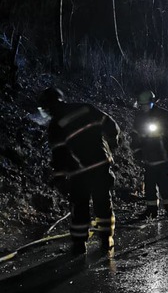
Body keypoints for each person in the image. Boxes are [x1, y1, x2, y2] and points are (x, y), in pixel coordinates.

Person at [38, 87, 120, 254]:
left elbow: (59, 156)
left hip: (79, 170)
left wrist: (60, 178)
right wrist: (112, 144)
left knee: (79, 205)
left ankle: (79, 244)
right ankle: (106, 239)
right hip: (100, 164)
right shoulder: (85, 108)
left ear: (48, 107)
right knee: (103, 201)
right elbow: (111, 125)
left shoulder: (55, 125)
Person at [131, 90, 168, 218]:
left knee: (164, 183)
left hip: (164, 156)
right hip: (148, 158)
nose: (144, 107)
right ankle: (151, 210)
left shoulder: (164, 115)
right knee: (149, 184)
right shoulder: (139, 118)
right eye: (141, 105)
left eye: (145, 104)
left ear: (152, 102)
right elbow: (135, 137)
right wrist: (137, 152)